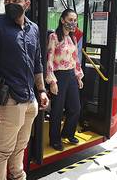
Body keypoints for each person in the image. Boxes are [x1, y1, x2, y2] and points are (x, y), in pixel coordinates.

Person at [0, 0, 50, 180]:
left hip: (31, 101)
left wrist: (42, 90)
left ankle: (18, 176)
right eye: (7, 1)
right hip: (11, 102)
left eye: (16, 1)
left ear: (27, 4)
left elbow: (37, 62)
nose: (11, 4)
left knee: (21, 147)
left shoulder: (34, 29)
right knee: (3, 152)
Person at [45, 9, 84, 151]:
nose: (73, 23)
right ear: (62, 20)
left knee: (75, 108)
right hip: (59, 76)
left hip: (71, 76)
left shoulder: (73, 38)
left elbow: (75, 58)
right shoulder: (54, 37)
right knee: (57, 110)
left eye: (75, 20)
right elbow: (49, 59)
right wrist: (52, 81)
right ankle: (55, 140)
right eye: (70, 20)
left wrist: (78, 75)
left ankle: (67, 133)